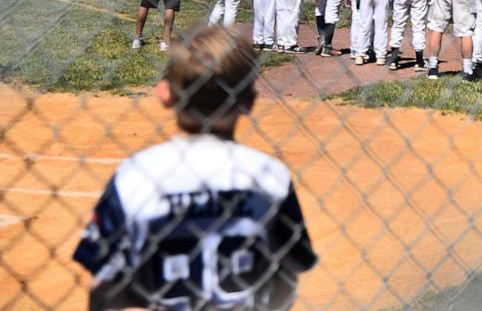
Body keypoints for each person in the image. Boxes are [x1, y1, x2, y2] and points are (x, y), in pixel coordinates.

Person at [73, 25, 317, 309]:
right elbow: (290, 270)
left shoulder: (136, 175)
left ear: (166, 95)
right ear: (249, 102)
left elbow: (102, 286)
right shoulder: (269, 176)